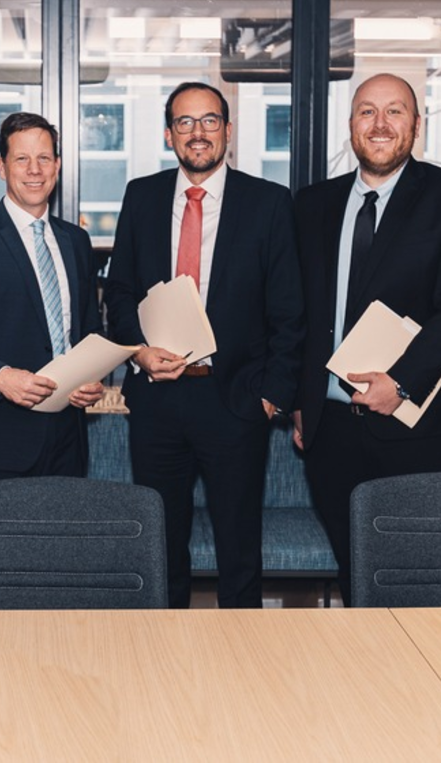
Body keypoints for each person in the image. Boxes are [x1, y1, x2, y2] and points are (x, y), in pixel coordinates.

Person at [104, 81, 304, 608]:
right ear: (168, 134)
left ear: (228, 131)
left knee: (239, 550)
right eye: (185, 122)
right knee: (161, 546)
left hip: (235, 399)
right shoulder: (141, 196)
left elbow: (289, 310)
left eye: (210, 120)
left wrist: (271, 396)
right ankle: (166, 648)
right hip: (157, 398)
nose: (198, 132)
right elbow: (119, 292)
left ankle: (239, 654)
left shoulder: (268, 203)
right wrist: (137, 350)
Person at [292, 73, 441, 605]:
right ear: (350, 125)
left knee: (415, 576)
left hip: (417, 423)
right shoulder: (312, 204)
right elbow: (301, 313)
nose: (380, 124)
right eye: (367, 112)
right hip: (329, 427)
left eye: (394, 111)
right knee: (354, 571)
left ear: (416, 125)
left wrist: (400, 383)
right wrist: (300, 399)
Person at [0, 113, 103, 485]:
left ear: (57, 165)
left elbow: (90, 331)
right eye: (21, 159)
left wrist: (92, 378)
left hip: (68, 439)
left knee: (65, 525)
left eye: (44, 158)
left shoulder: (76, 241)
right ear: (1, 167)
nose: (34, 170)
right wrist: (0, 377)